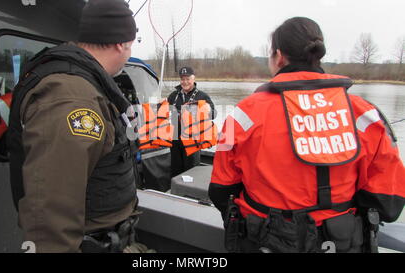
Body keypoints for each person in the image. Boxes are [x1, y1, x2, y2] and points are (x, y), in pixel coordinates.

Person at [208, 17, 405, 253]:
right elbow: (388, 203)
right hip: (341, 242)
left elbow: (220, 190)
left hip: (261, 242)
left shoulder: (240, 116)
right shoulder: (366, 115)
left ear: (279, 56)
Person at [7, 0, 141, 253]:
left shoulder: (85, 84)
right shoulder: (73, 98)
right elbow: (50, 215)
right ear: (120, 44)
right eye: (131, 44)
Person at [167, 67, 216, 177]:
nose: (185, 82)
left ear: (193, 79)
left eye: (188, 79)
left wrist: (208, 109)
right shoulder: (173, 96)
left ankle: (189, 191)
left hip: (193, 141)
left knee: (192, 171)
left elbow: (214, 114)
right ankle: (175, 189)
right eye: (182, 79)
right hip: (175, 140)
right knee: (175, 169)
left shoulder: (202, 96)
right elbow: (165, 113)